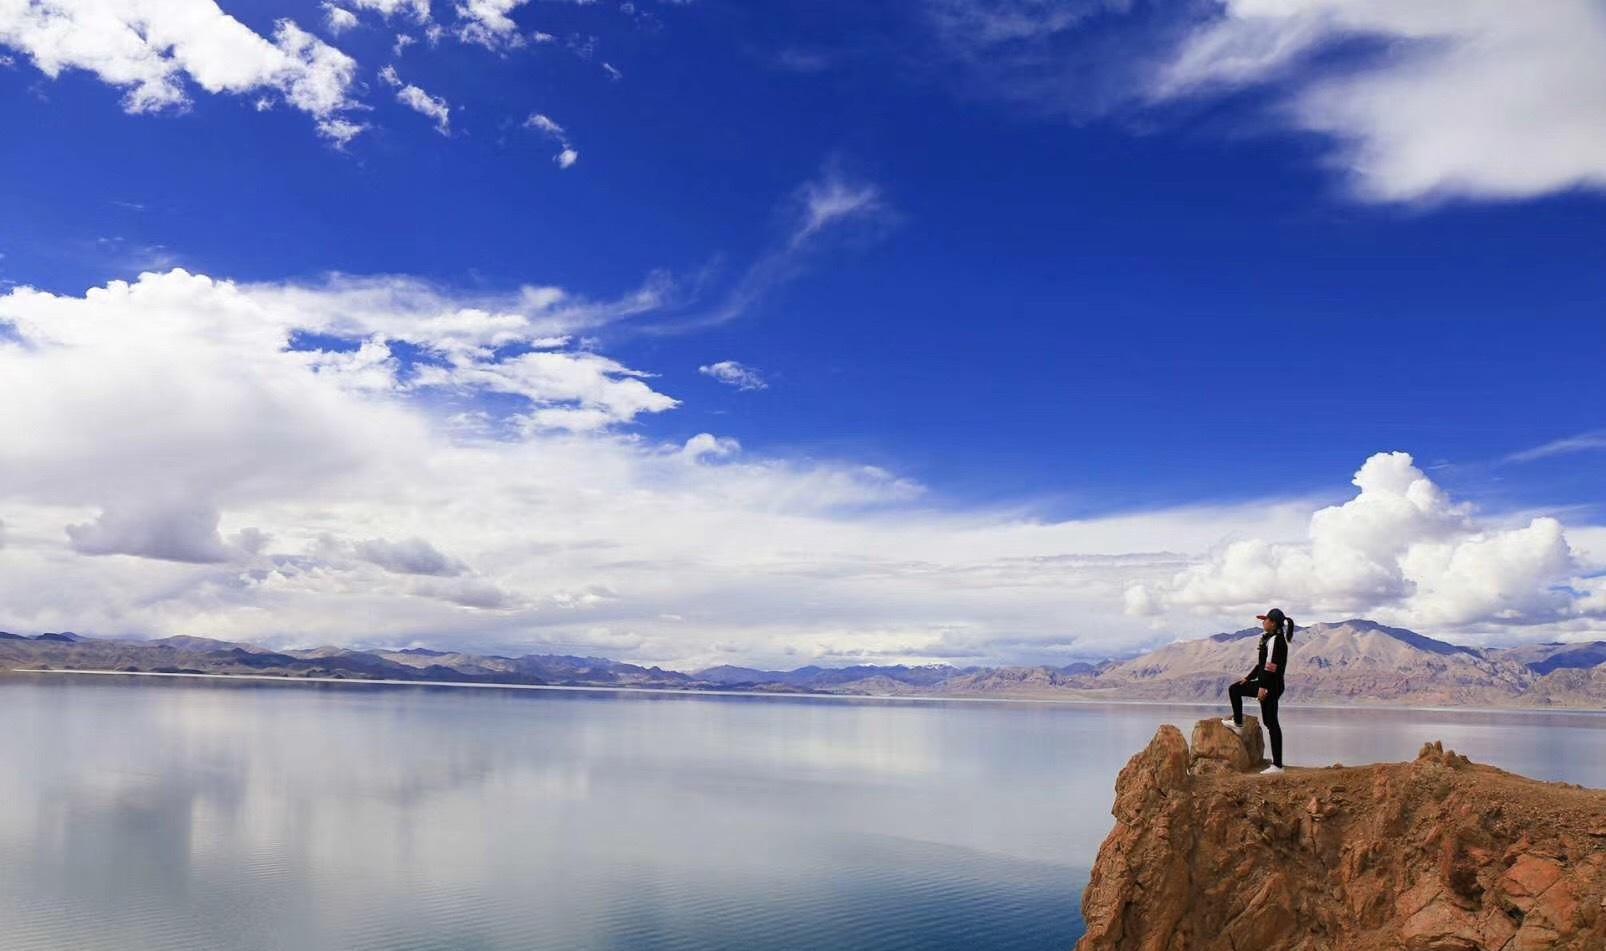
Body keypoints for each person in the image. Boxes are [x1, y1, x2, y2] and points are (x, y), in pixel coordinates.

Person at [1221, 607, 1294, 774]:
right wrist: (1248, 678)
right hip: (1268, 684)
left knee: (1271, 723)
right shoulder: (1269, 639)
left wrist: (1263, 688)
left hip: (1270, 686)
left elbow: (1271, 666)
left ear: (1273, 623)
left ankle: (1277, 766)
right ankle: (1238, 723)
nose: (1263, 622)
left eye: (1265, 619)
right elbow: (1261, 665)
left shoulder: (1276, 640)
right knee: (1236, 689)